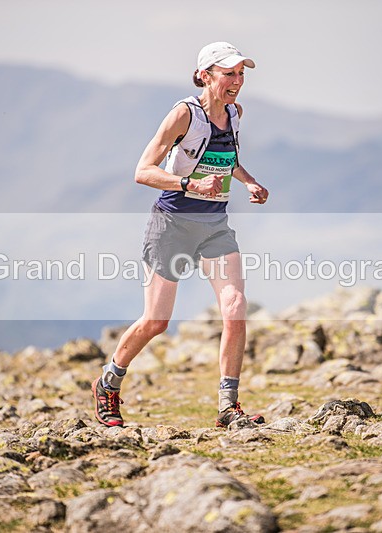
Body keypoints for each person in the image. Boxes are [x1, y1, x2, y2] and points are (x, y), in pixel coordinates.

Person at [91, 42, 269, 429]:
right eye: (229, 74)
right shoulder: (183, 114)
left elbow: (228, 158)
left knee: (236, 308)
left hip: (215, 228)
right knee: (156, 321)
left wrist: (249, 181)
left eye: (241, 74)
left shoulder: (235, 114)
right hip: (171, 226)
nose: (237, 81)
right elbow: (143, 170)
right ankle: (108, 384)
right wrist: (188, 183)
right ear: (206, 75)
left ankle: (228, 407)